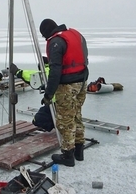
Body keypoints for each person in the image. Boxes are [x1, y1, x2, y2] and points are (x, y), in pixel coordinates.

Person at [39, 18, 89, 167]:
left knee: (65, 120)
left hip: (68, 85)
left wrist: (48, 94)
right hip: (82, 81)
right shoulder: (74, 35)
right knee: (76, 115)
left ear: (47, 33)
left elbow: (55, 72)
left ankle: (68, 155)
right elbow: (77, 56)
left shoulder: (55, 42)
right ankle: (79, 151)